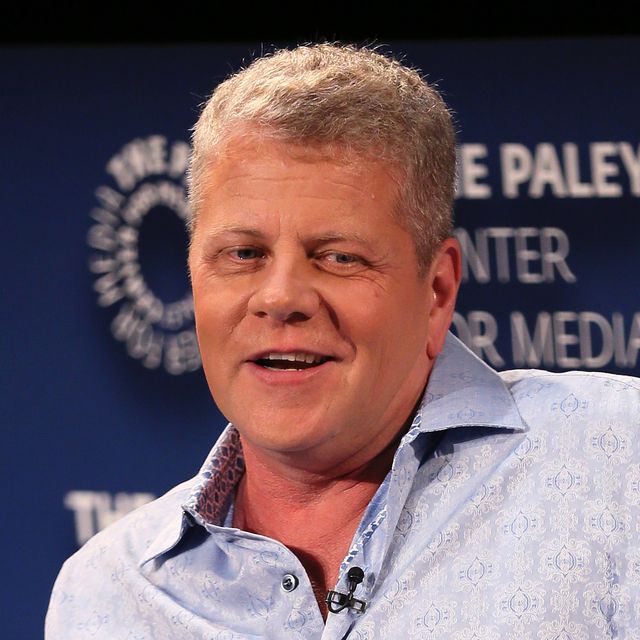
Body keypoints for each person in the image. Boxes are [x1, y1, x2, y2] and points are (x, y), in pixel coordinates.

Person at [46, 43, 640, 638]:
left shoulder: (617, 462)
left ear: (436, 291)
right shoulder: (107, 597)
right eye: (243, 254)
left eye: (338, 257)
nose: (280, 297)